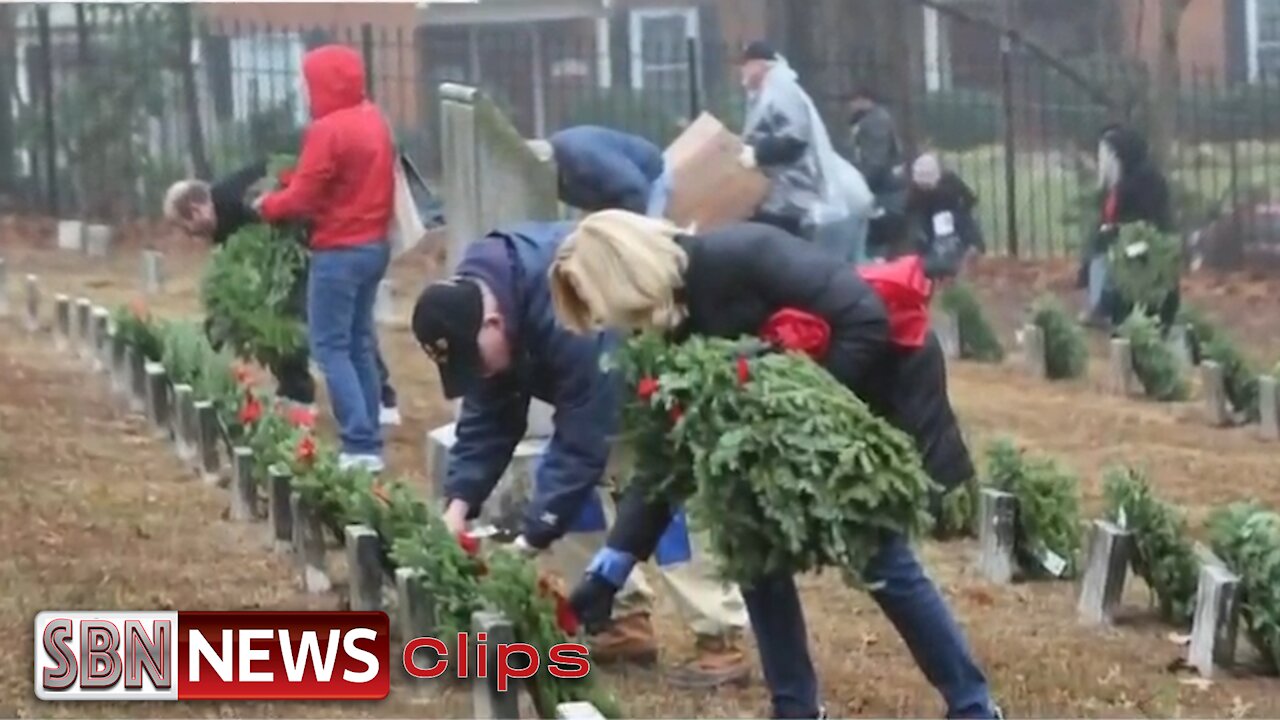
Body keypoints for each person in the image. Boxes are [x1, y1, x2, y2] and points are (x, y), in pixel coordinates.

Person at [547, 210, 999, 720]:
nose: (615, 330)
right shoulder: (667, 332)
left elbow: (864, 318)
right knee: (753, 545)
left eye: (608, 313)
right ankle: (796, 708)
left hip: (869, 385)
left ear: (625, 279)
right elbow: (667, 454)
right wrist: (612, 567)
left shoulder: (741, 255)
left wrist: (797, 418)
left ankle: (973, 706)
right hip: (770, 432)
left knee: (879, 555)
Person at [411, 222, 751, 687]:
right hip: (600, 385)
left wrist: (531, 540)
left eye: (476, 359)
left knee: (666, 499)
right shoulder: (482, 302)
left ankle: (719, 637)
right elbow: (488, 416)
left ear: (493, 324)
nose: (480, 371)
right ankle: (618, 619)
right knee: (574, 501)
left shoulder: (560, 301)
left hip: (657, 365)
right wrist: (457, 507)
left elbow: (584, 434)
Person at [252, 44, 394, 472]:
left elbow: (304, 196)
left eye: (309, 82)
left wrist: (268, 205)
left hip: (339, 250)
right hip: (374, 245)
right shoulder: (373, 120)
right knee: (360, 344)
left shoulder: (328, 129)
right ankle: (369, 438)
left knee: (330, 346)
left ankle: (359, 444)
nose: (306, 91)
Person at [164, 171, 403, 424]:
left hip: (315, 249)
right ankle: (297, 392)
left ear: (195, 209)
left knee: (336, 323)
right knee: (273, 323)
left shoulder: (237, 200)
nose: (190, 236)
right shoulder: (223, 219)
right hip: (303, 258)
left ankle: (380, 397)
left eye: (185, 227)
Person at [737, 41, 874, 263]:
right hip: (780, 198)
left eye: (745, 64)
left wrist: (757, 154)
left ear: (759, 64)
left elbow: (794, 139)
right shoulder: (768, 91)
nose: (742, 71)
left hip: (790, 199)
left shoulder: (780, 88)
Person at [1076, 124, 1177, 330]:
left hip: (1143, 249)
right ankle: (1102, 306)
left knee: (1106, 250)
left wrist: (1113, 233)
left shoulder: (1145, 181)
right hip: (1126, 244)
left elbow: (1149, 224)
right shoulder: (1123, 182)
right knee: (1098, 247)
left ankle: (1107, 306)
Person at [538, 125, 672, 218]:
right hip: (615, 193)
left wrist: (632, 228)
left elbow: (636, 188)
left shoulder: (585, 158)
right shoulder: (556, 174)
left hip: (649, 178)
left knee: (645, 244)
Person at [848, 87, 910, 261]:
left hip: (885, 190)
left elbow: (876, 160)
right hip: (885, 187)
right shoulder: (870, 120)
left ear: (865, 100)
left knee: (879, 240)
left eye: (854, 100)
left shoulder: (874, 122)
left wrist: (862, 184)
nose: (850, 105)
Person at [905, 153, 986, 281]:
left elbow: (970, 200)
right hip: (929, 224)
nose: (926, 189)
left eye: (928, 185)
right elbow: (910, 211)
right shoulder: (915, 193)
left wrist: (956, 212)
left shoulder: (950, 182)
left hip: (952, 219)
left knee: (962, 229)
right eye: (923, 186)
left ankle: (967, 255)